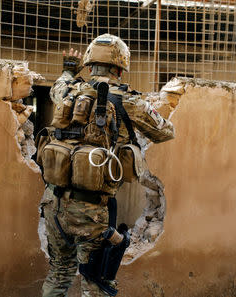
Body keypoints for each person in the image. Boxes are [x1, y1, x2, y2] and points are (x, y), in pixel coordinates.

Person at [38, 34, 174, 297]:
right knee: (96, 283)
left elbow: (58, 85)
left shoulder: (68, 91)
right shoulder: (129, 101)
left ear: (89, 66)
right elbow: (166, 131)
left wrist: (68, 68)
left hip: (53, 204)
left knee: (59, 271)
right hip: (92, 212)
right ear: (121, 68)